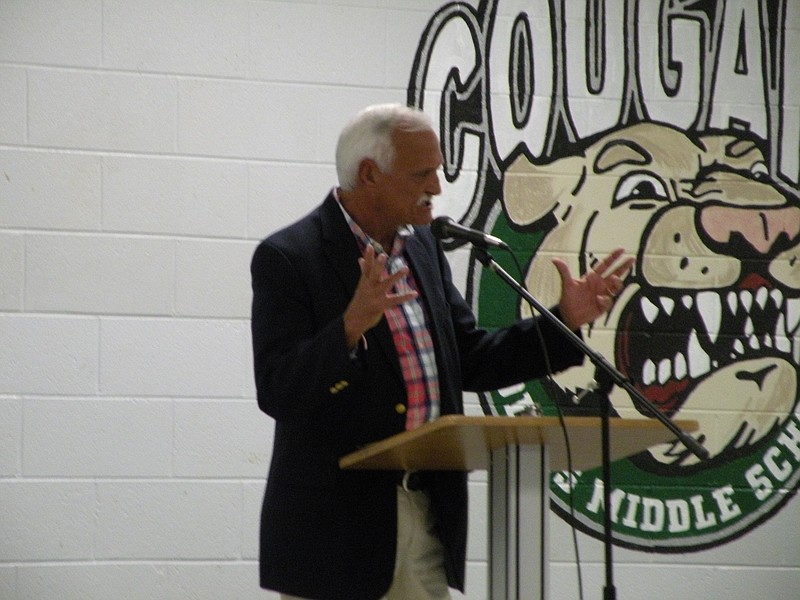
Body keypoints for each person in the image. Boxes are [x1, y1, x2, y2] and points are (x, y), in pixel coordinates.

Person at [250, 103, 632, 600]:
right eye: (422, 173)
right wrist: (349, 327)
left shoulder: (424, 247)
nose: (436, 185)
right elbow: (278, 390)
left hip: (426, 512)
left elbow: (469, 357)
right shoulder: (290, 257)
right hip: (335, 534)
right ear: (370, 174)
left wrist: (563, 321)